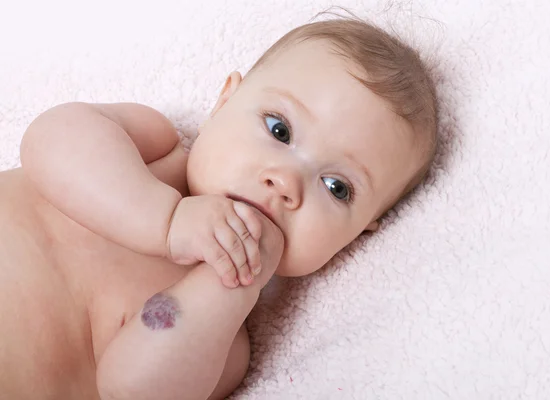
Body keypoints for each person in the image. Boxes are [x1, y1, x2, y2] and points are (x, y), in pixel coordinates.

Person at [0, 16, 438, 400]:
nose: (285, 182)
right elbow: (49, 139)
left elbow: (130, 390)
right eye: (280, 129)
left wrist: (233, 281)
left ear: (359, 233)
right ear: (225, 100)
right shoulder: (152, 148)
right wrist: (164, 221)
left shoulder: (220, 343)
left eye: (336, 187)